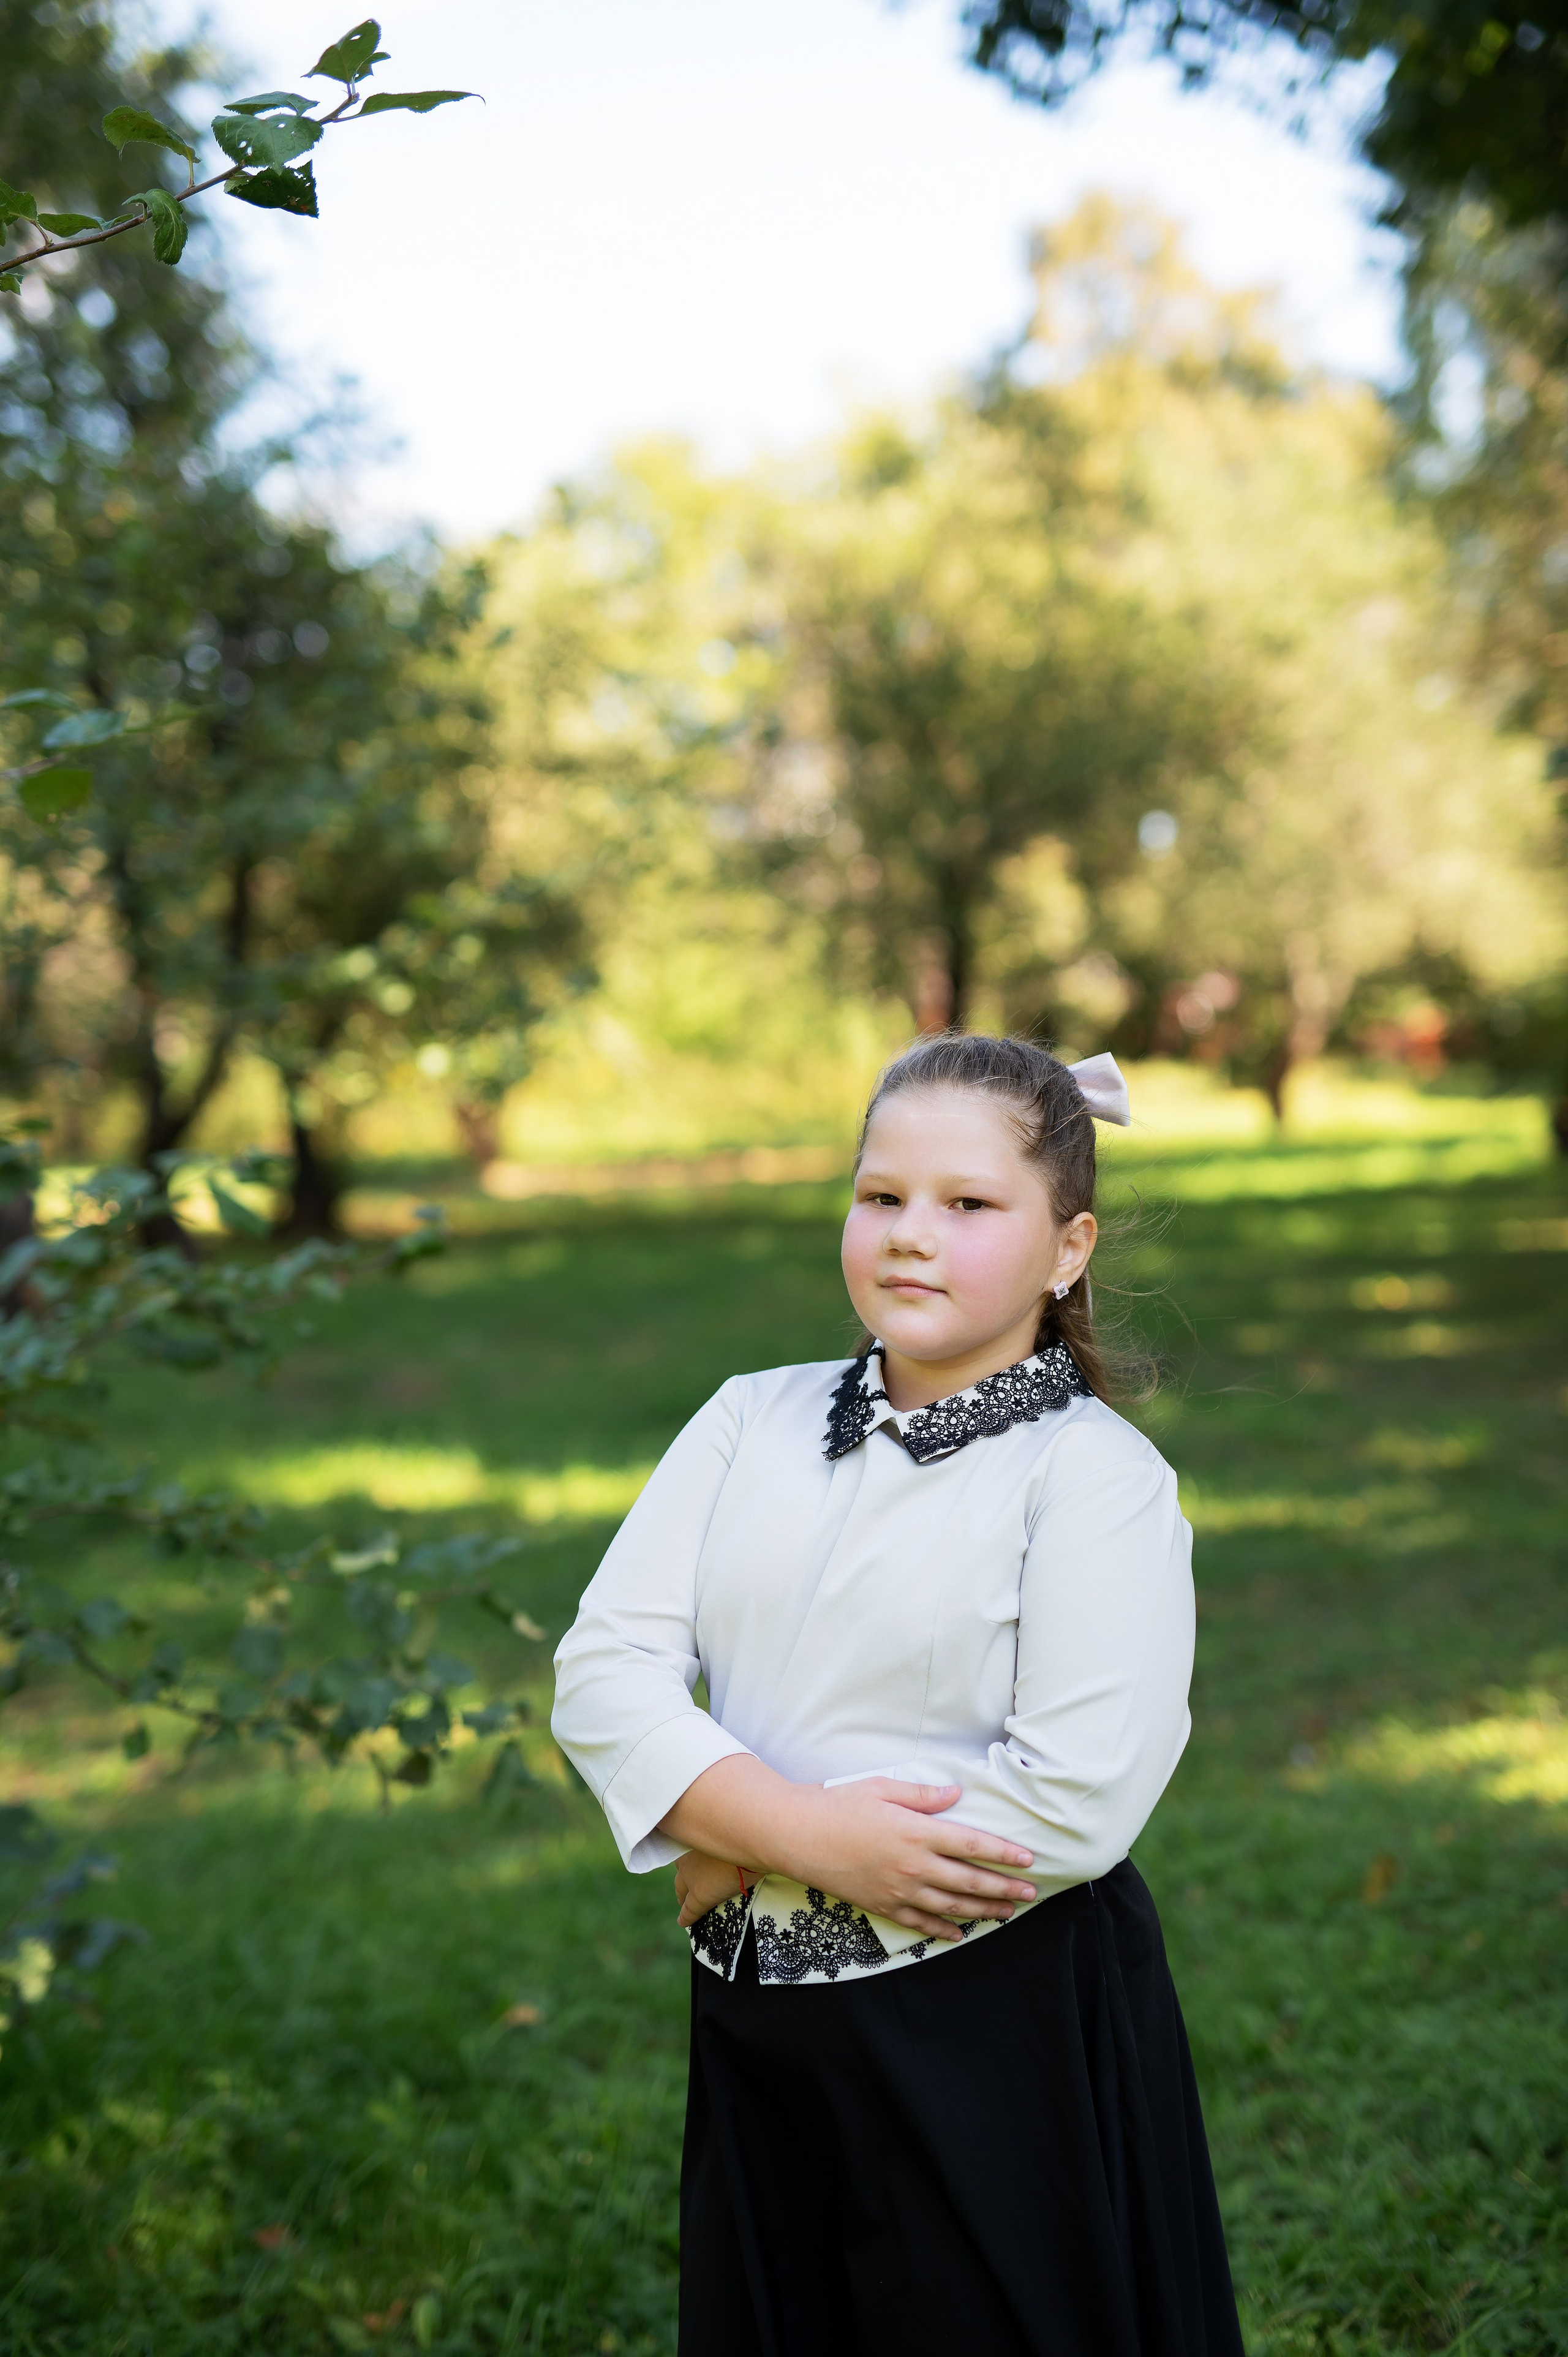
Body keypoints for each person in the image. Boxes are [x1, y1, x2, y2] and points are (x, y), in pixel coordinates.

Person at [551, 1034, 1245, 2357]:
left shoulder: (1088, 1479)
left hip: (992, 2020)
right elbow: (603, 1671)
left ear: (1066, 1245)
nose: (910, 1235)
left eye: (968, 1205)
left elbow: (1077, 1791)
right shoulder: (745, 1422)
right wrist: (770, 1830)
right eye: (880, 1196)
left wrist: (744, 1841)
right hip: (759, 2008)